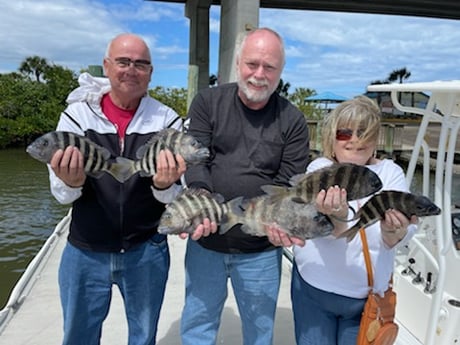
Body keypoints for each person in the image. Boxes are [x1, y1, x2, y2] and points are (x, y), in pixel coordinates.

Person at [48, 33, 186, 345]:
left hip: (146, 250)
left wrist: (164, 185)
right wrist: (72, 181)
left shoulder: (168, 120)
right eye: (123, 62)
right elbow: (61, 194)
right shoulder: (76, 117)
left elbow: (178, 194)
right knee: (78, 337)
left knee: (143, 337)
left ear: (150, 73)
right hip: (85, 250)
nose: (131, 70)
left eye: (141, 64)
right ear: (107, 66)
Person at [180, 27, 310, 345]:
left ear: (280, 72)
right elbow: (196, 160)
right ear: (238, 62)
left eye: (270, 67)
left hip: (260, 251)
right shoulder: (207, 102)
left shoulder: (293, 120)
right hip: (206, 244)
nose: (259, 74)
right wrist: (200, 198)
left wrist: (281, 223)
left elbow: (287, 185)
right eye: (252, 64)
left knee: (259, 333)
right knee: (197, 327)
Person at [267, 95, 418, 345]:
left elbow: (402, 235)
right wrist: (336, 218)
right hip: (312, 290)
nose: (355, 139)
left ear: (375, 138)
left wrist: (394, 232)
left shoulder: (390, 173)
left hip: (365, 299)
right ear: (331, 137)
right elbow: (311, 226)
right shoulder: (320, 168)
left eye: (364, 132)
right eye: (345, 133)